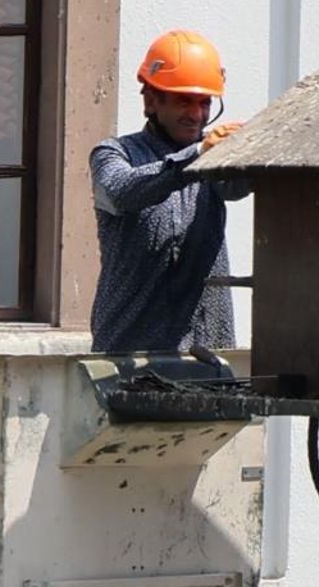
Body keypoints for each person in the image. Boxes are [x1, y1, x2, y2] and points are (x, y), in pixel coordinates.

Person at [89, 29, 250, 353]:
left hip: (206, 350)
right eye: (183, 101)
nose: (196, 115)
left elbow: (236, 187)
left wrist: (255, 149)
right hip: (127, 351)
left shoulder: (213, 154)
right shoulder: (112, 154)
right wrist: (198, 154)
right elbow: (122, 191)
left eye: (204, 103)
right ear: (151, 100)